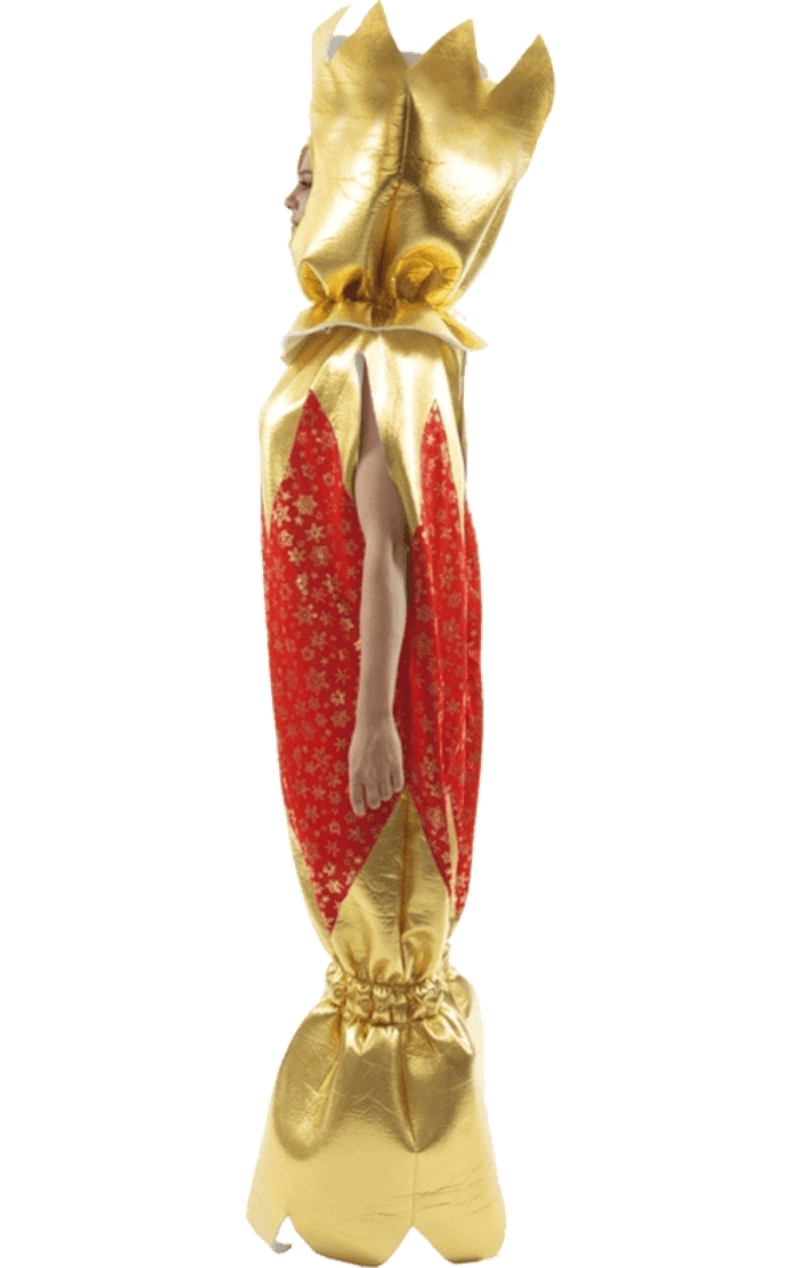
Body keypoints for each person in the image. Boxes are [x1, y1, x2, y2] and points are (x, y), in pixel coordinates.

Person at [248, 5, 554, 1262]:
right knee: (354, 901)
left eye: (312, 171)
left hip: (354, 704)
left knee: (371, 900)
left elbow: (390, 551)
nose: (291, 193)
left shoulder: (370, 361)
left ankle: (380, 1170)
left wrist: (374, 712)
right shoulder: (360, 354)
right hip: (324, 684)